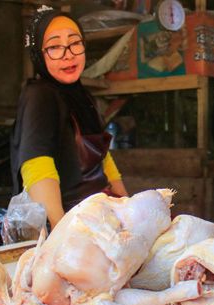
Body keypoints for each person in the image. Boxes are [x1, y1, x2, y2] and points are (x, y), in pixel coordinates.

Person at [11, 7, 128, 229]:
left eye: (75, 43)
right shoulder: (40, 95)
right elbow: (37, 165)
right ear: (38, 53)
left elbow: (103, 158)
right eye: (54, 47)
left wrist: (126, 204)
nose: (68, 53)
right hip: (70, 222)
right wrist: (61, 229)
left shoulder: (83, 96)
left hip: (98, 217)